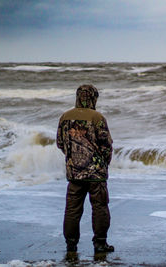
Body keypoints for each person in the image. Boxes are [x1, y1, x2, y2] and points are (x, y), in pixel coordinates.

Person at [56, 84, 114, 254]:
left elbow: (60, 143)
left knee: (72, 209)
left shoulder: (65, 117)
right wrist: (104, 163)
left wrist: (72, 157)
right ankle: (100, 243)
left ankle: (71, 245)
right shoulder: (97, 117)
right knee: (100, 207)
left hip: (74, 172)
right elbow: (106, 145)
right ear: (93, 97)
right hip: (96, 174)